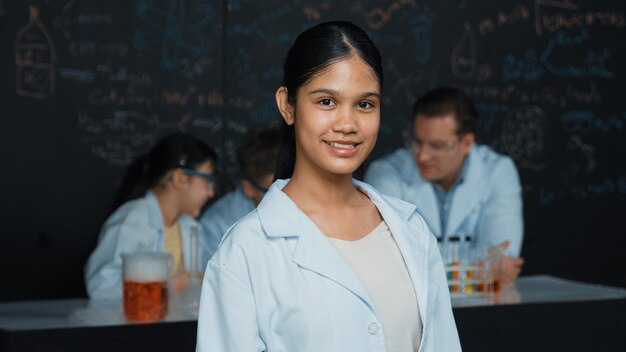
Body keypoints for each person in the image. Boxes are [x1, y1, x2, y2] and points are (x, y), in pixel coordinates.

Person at [196, 21, 461, 351]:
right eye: (326, 102)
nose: (347, 124)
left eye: (365, 104)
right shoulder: (245, 251)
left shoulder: (412, 232)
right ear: (287, 105)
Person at [365, 86, 524, 284]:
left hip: (483, 310)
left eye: (437, 146)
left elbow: (502, 260)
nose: (422, 155)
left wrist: (424, 264)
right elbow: (386, 259)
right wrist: (477, 268)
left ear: (466, 143)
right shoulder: (386, 174)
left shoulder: (498, 171)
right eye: (417, 141)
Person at [84, 133, 217, 300]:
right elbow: (100, 288)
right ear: (180, 178)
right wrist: (167, 287)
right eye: (208, 181)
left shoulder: (190, 226)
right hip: (135, 326)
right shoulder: (131, 221)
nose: (211, 192)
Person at [198, 127, 280, 258]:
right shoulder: (217, 225)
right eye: (273, 193)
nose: (287, 198)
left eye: (290, 186)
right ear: (249, 188)